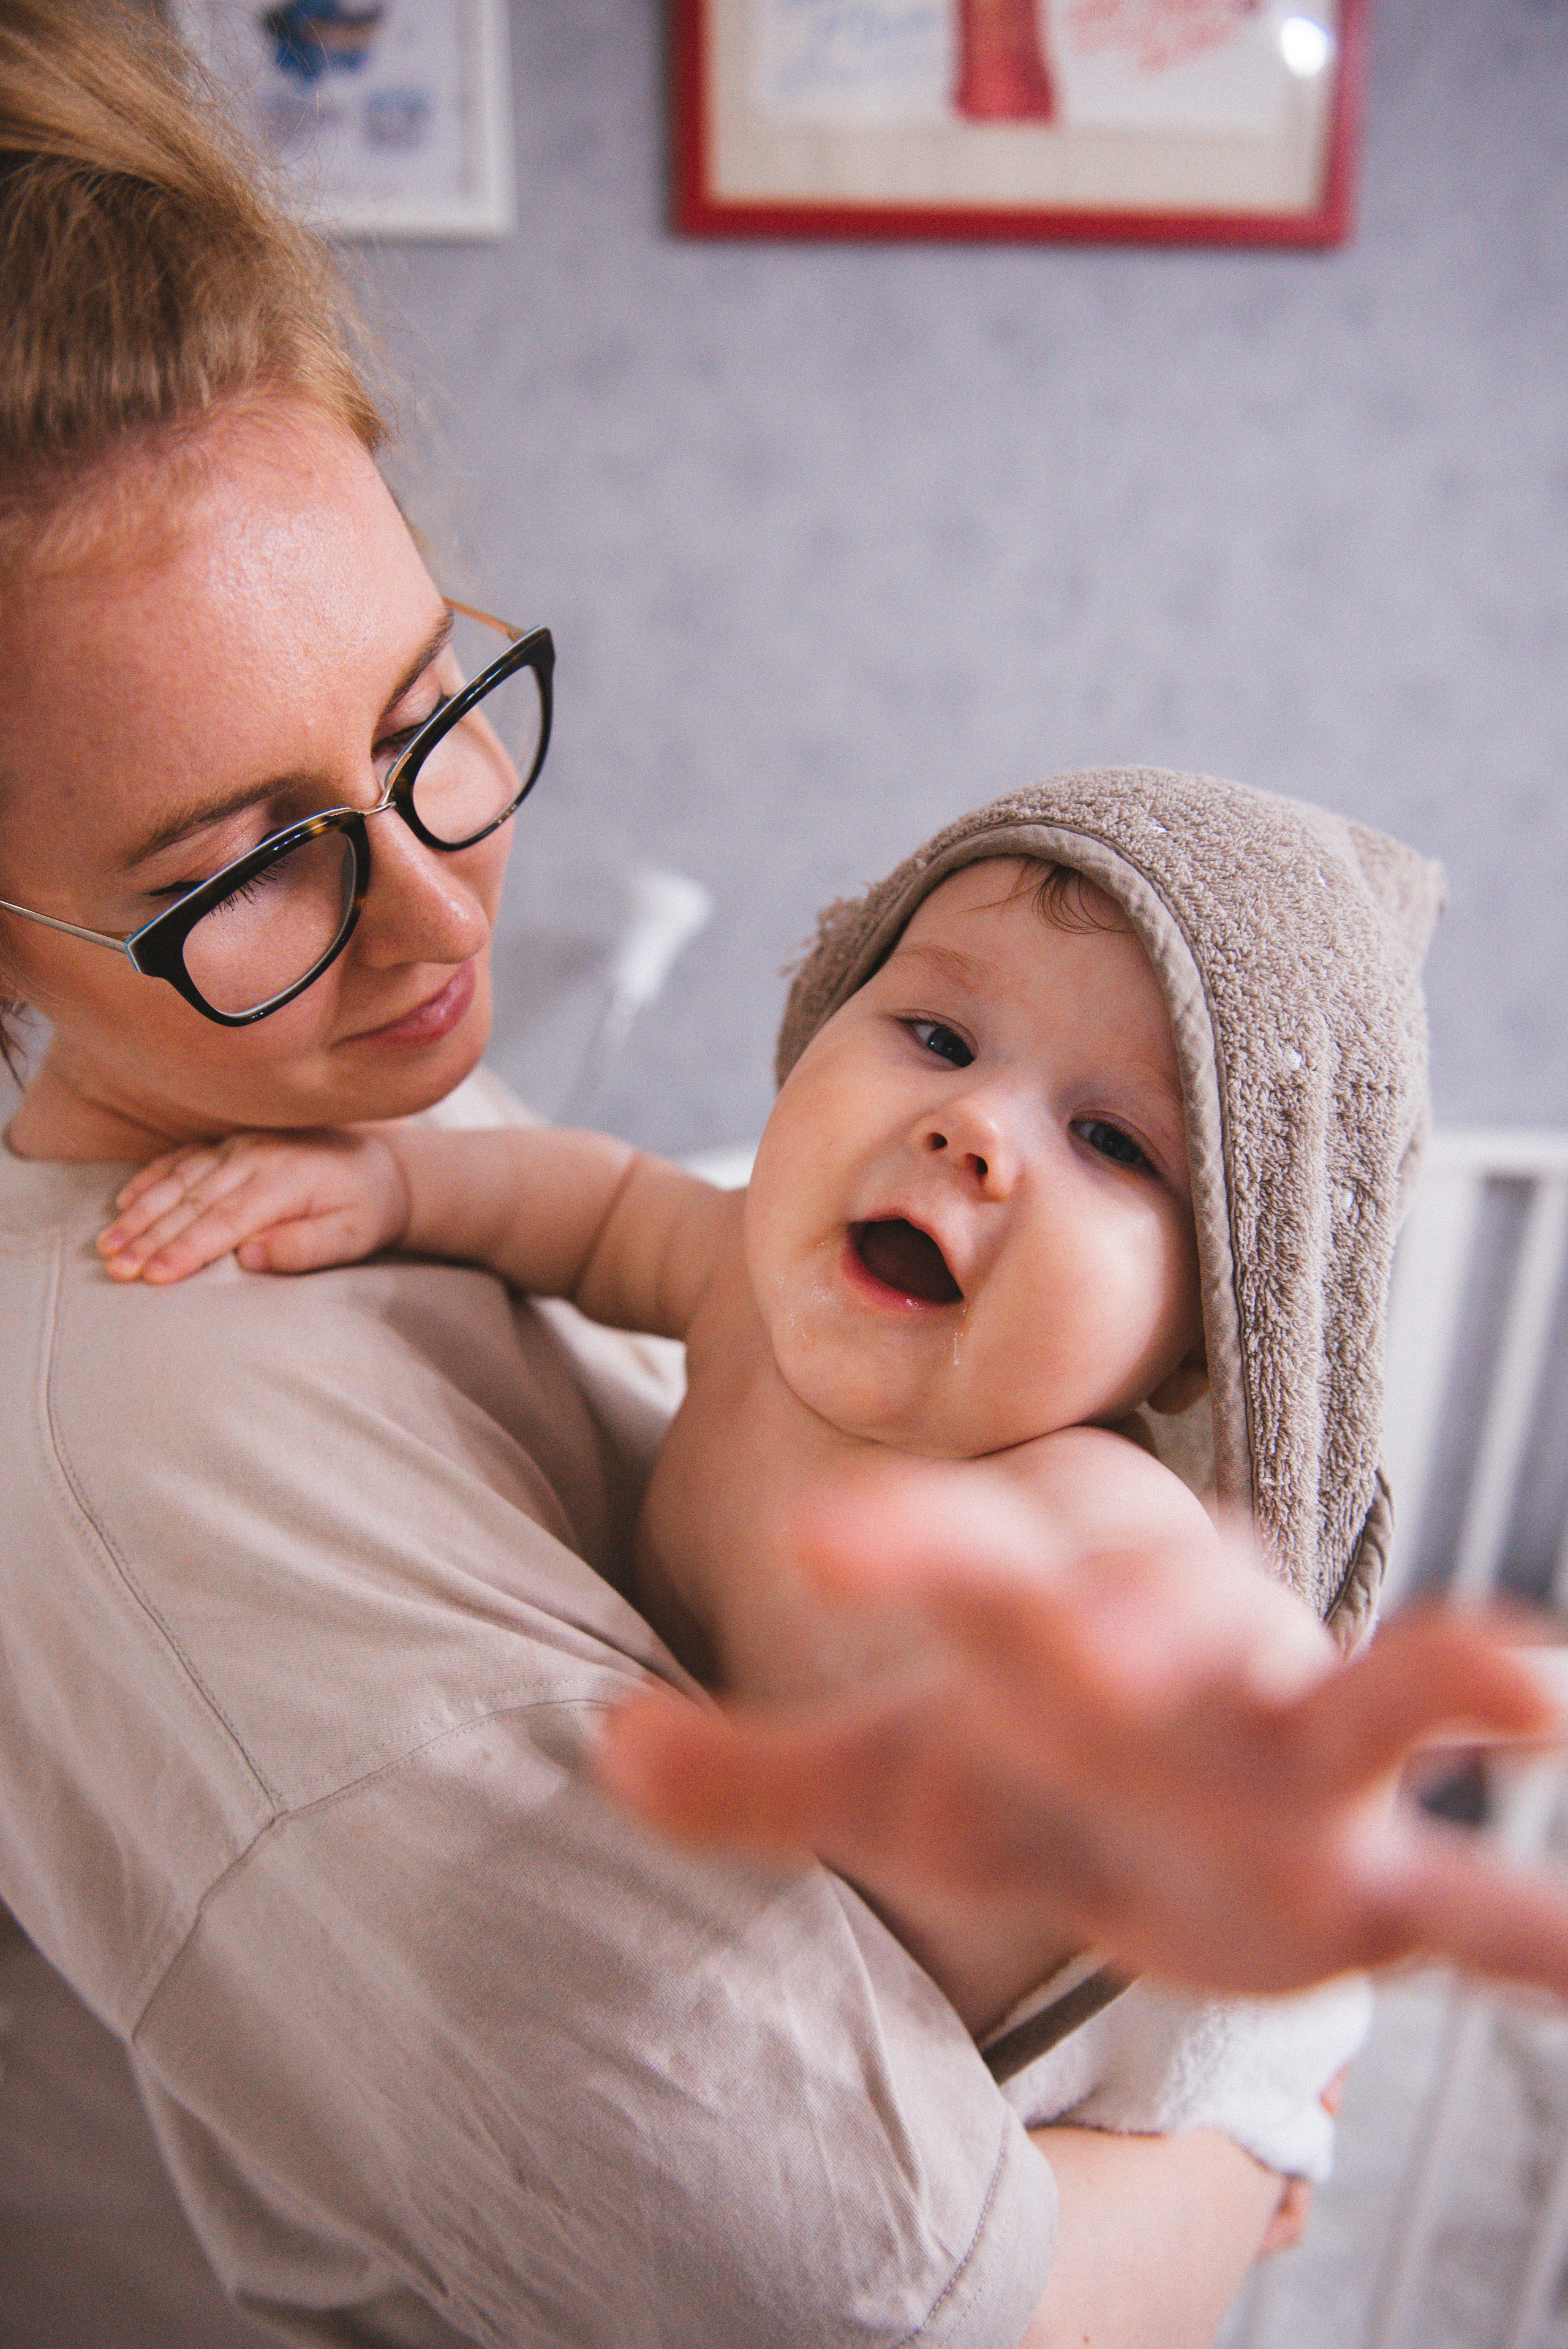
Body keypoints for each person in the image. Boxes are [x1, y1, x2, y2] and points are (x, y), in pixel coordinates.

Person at [2, 8, 1567, 2348]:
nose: (442, 917)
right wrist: (1235, 2159)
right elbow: (902, 2314)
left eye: (432, 710)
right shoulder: (185, 1469)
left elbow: (1201, 1675)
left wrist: (1265, 1949)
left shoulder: (1083, 1530)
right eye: (242, 862)